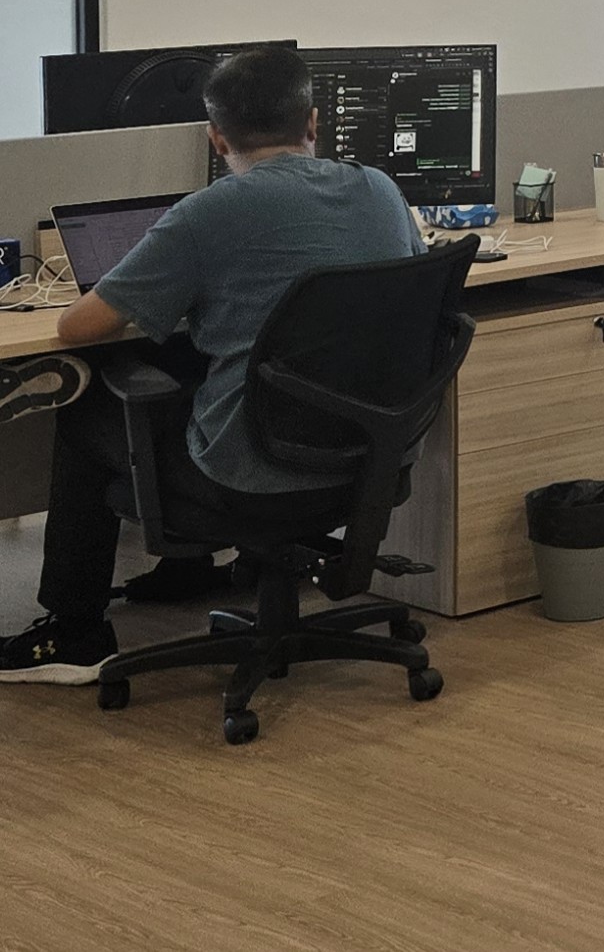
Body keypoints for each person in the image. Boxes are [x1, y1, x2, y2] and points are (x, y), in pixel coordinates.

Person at [0, 46, 424, 687]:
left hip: (254, 470)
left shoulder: (208, 214)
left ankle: (76, 632)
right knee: (195, 363)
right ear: (313, 123)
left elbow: (77, 328)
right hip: (370, 454)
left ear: (216, 137)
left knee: (90, 403)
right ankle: (188, 572)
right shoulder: (381, 190)